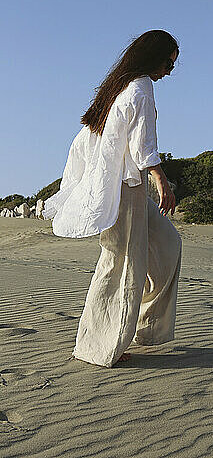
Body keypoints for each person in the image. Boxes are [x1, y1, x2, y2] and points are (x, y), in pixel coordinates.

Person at [43, 30, 182, 368]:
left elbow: (88, 140)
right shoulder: (138, 87)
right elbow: (142, 144)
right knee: (122, 265)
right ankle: (100, 346)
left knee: (167, 244)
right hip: (125, 189)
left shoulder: (120, 86)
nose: (169, 72)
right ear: (154, 58)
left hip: (123, 184)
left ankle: (148, 329)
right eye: (168, 63)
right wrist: (163, 182)